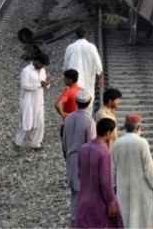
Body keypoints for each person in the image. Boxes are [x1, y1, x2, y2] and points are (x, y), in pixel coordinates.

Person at [112, 113, 153, 229]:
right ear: (138, 127)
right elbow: (149, 168)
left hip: (122, 188)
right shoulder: (142, 143)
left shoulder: (116, 143)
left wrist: (113, 185)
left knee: (125, 218)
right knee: (143, 220)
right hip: (141, 189)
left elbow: (112, 169)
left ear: (125, 126)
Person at [75, 118, 124, 228]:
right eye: (113, 132)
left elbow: (80, 173)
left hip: (83, 199)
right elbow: (105, 182)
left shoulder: (83, 148)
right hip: (98, 202)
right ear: (108, 133)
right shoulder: (104, 152)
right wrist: (111, 203)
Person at [61, 89, 96, 226]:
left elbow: (64, 141)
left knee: (75, 192)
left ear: (76, 102)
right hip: (83, 161)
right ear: (89, 102)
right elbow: (91, 147)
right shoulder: (89, 121)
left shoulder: (68, 118)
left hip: (70, 158)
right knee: (82, 194)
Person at [14, 53, 52, 150]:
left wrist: (47, 82)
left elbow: (44, 85)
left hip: (39, 100)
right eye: (41, 64)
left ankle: (35, 144)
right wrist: (40, 84)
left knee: (39, 123)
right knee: (26, 122)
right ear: (37, 61)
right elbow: (24, 86)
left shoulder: (42, 70)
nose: (42, 67)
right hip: (28, 100)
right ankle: (18, 142)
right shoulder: (26, 71)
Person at [63, 27, 103, 101]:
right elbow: (98, 64)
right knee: (88, 98)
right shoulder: (92, 47)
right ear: (86, 34)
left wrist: (66, 78)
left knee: (75, 99)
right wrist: (100, 78)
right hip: (88, 79)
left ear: (76, 35)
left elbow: (65, 66)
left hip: (74, 79)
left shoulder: (70, 47)